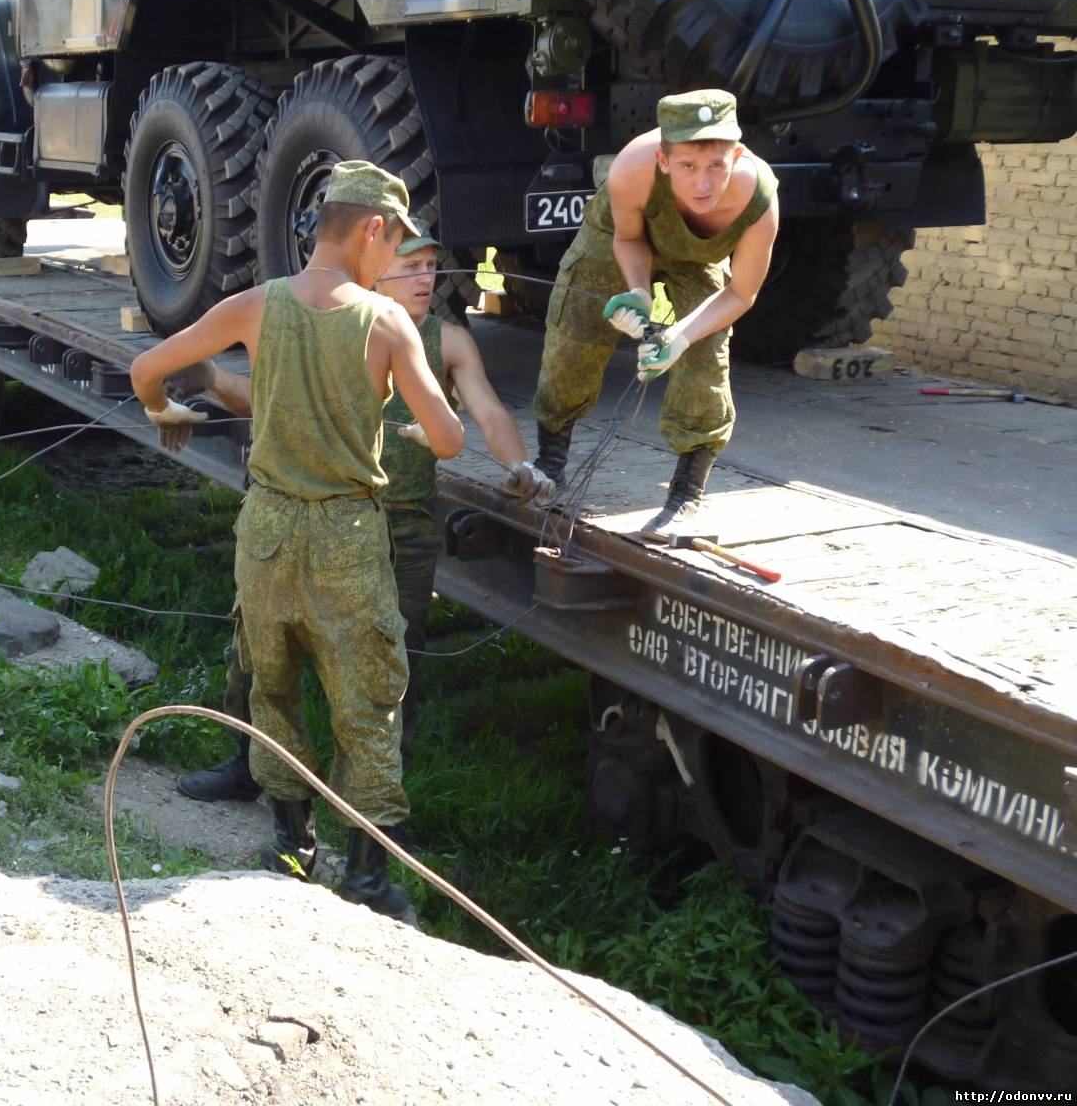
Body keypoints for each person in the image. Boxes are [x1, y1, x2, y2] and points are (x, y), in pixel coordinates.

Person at [131, 162, 464, 922]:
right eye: (397, 245)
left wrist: (166, 415)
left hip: (269, 528)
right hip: (349, 533)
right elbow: (446, 439)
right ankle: (369, 880)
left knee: (272, 687)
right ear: (372, 230)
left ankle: (290, 853)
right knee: (368, 705)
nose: (397, 263)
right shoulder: (387, 324)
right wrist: (406, 423)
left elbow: (148, 369)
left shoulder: (256, 306)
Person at [177, 220, 550, 804]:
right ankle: (249, 765)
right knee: (257, 655)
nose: (425, 276)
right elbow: (270, 404)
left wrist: (520, 464)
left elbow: (488, 410)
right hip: (329, 516)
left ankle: (378, 799)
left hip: (402, 525)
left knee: (391, 664)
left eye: (431, 264)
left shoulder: (446, 340)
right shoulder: (338, 323)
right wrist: (216, 382)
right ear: (373, 262)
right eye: (410, 264)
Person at [532, 89, 779, 536]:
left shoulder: (758, 199)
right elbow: (629, 241)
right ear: (664, 161)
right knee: (574, 335)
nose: (703, 184)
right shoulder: (632, 169)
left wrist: (679, 337)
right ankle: (551, 461)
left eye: (716, 166)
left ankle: (686, 494)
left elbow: (742, 293)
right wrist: (639, 297)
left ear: (737, 155)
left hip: (697, 258)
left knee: (706, 358)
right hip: (617, 238)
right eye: (687, 166)